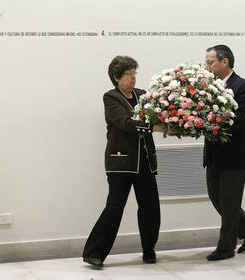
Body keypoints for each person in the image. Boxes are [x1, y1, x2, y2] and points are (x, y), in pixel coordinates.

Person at [82, 55, 161, 267]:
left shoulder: (143, 95)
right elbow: (125, 123)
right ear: (116, 77)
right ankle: (94, 252)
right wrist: (151, 127)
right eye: (128, 74)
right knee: (114, 207)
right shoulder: (111, 97)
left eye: (134, 73)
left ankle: (149, 250)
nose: (133, 77)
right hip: (121, 163)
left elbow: (158, 116)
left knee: (150, 207)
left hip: (145, 161)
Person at [203, 45, 245, 261]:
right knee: (216, 197)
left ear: (225, 62)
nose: (206, 66)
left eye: (210, 62)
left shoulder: (243, 86)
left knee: (229, 202)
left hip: (235, 155)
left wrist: (217, 120)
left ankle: (226, 248)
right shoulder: (207, 87)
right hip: (213, 153)